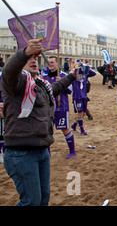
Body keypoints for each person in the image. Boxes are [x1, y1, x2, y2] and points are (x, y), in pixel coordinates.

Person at [0, 39, 78, 205]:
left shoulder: (40, 83)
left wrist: (72, 76)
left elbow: (55, 88)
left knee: (43, 199)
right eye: (29, 59)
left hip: (42, 150)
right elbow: (9, 71)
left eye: (35, 58)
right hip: (21, 152)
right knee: (31, 201)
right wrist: (24, 53)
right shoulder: (15, 83)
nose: (33, 60)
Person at [43, 56, 76, 159]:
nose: (50, 64)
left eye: (52, 62)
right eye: (49, 62)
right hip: (48, 108)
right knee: (46, 132)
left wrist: (62, 81)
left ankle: (72, 151)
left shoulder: (63, 75)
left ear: (57, 63)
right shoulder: (45, 77)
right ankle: (47, 154)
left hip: (61, 107)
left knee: (65, 129)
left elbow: (70, 90)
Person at [71, 60, 96, 135]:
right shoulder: (75, 74)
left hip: (84, 96)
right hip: (77, 96)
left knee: (84, 113)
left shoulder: (85, 74)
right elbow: (70, 75)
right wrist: (75, 68)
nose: (80, 67)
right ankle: (82, 129)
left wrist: (87, 67)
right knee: (80, 113)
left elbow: (93, 73)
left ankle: (74, 125)